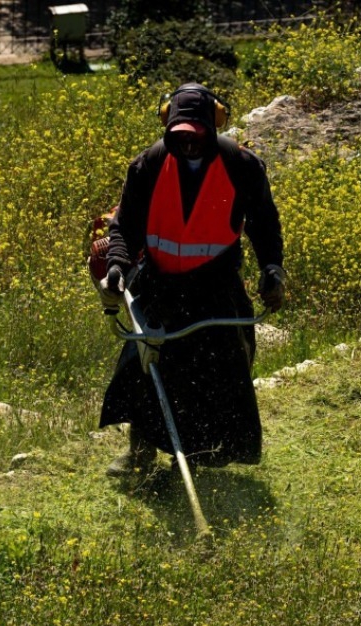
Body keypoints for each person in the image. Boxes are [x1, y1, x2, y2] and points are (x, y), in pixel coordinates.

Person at [98, 83, 286, 476]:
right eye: (179, 137)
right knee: (145, 367)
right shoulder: (147, 165)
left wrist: (272, 268)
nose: (189, 145)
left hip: (216, 285)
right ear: (168, 128)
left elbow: (265, 223)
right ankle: (141, 456)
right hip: (159, 283)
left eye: (198, 136)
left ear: (212, 127)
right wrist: (116, 265)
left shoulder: (241, 165)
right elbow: (124, 227)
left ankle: (205, 458)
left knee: (219, 371)